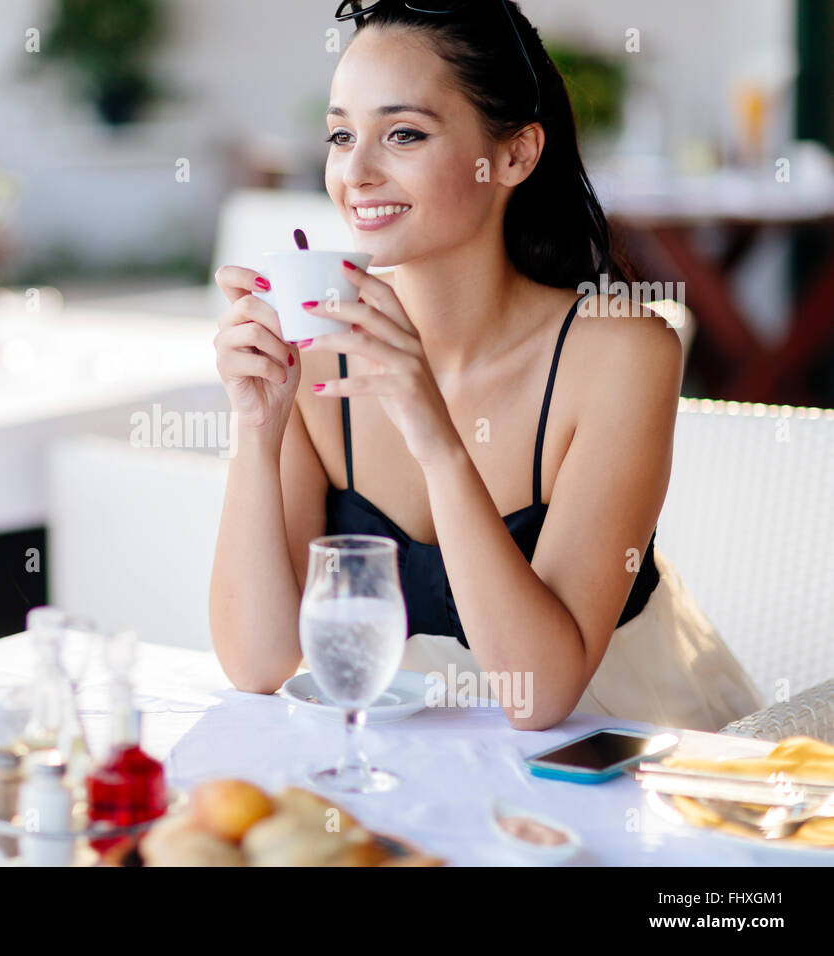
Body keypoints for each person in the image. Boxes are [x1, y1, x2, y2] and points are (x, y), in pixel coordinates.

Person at [208, 0, 762, 732]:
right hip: (418, 746)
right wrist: (257, 429)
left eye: (403, 133)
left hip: (618, 751)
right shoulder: (317, 356)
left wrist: (434, 434)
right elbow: (257, 663)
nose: (356, 172)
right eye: (342, 135)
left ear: (514, 155)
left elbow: (541, 697)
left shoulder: (622, 356)